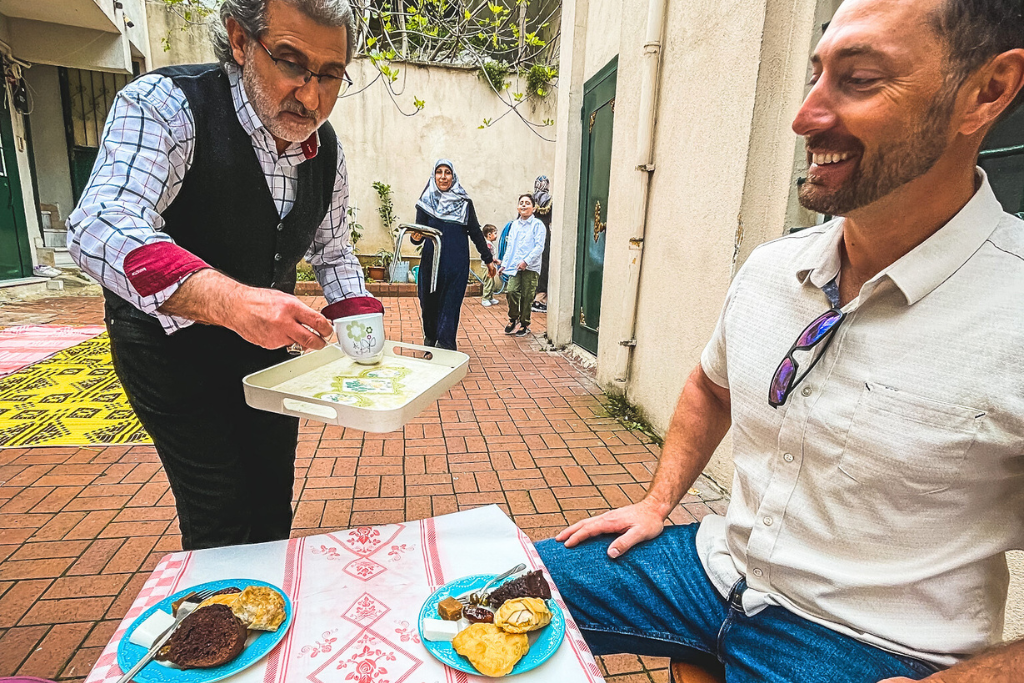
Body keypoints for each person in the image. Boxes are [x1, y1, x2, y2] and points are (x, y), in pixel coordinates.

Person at [537, 0, 1024, 680]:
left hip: (867, 642)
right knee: (492, 589)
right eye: (816, 72)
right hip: (710, 574)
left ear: (987, 91)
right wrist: (656, 502)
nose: (803, 116)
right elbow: (711, 386)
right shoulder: (772, 269)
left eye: (859, 78)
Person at [66, 0, 381, 551]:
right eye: (290, 62)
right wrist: (231, 302)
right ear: (239, 41)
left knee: (272, 504)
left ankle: (268, 619)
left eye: (330, 75)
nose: (311, 97)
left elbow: (333, 255)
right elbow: (102, 222)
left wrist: (369, 345)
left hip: (264, 349)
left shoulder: (326, 151)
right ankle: (214, 629)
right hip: (168, 351)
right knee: (218, 512)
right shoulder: (167, 105)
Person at [412, 160, 496, 349]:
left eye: (447, 172)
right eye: (439, 172)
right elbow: (418, 233)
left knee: (450, 303)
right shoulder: (425, 201)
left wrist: (488, 259)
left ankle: (446, 344)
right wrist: (416, 239)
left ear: (453, 176)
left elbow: (475, 231)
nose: (443, 176)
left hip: (456, 263)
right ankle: (431, 338)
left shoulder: (464, 203)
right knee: (428, 302)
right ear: (434, 176)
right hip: (431, 262)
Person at [501, 194, 546, 337]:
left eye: (527, 203)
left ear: (533, 208)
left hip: (531, 267)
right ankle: (513, 317)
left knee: (527, 296)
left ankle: (525, 323)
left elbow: (539, 247)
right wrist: (504, 264)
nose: (524, 205)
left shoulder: (538, 225)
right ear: (517, 207)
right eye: (521, 203)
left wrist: (526, 261)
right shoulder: (514, 225)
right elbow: (510, 247)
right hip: (514, 266)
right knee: (511, 291)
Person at [531, 175, 552, 313]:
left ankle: (533, 296)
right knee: (544, 265)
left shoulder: (530, 199)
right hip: (545, 235)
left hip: (531, 235)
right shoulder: (550, 201)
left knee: (533, 264)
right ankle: (540, 298)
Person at [480, 224, 501, 306]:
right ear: (489, 235)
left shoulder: (490, 244)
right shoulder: (488, 245)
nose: (496, 235)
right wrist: (495, 261)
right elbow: (488, 256)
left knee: (492, 282)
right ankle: (485, 298)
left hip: (491, 266)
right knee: (488, 282)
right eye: (495, 233)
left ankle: (490, 297)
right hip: (487, 267)